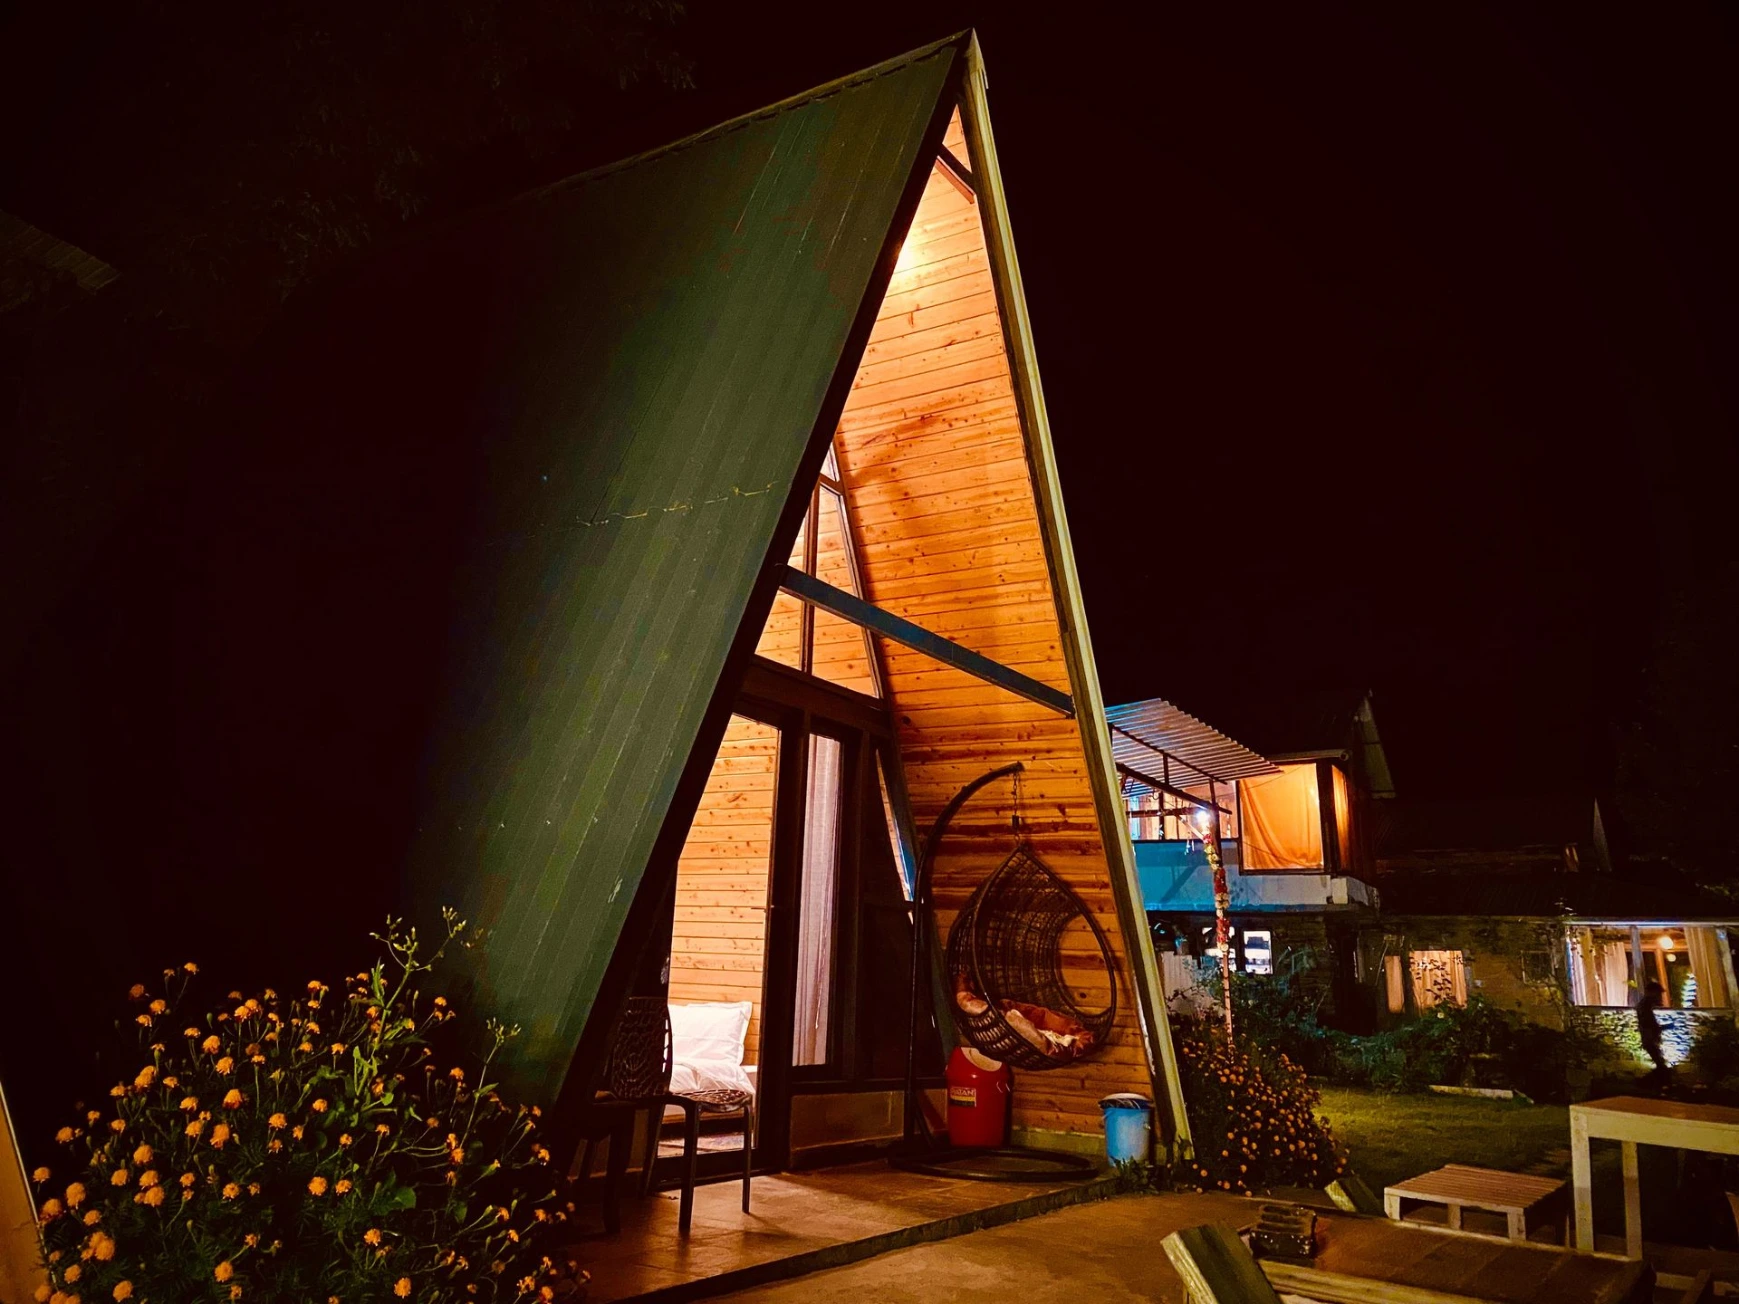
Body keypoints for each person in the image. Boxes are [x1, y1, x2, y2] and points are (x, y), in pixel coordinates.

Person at [1636, 980, 1671, 1090]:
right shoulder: (1645, 1006)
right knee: (1661, 1066)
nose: (1659, 996)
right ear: (1651, 992)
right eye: (1658, 993)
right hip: (1649, 1039)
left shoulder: (1645, 1005)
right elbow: (1647, 1023)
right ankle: (1645, 1085)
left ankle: (1650, 1085)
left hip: (1649, 1039)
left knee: (1661, 1065)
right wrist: (1661, 1028)